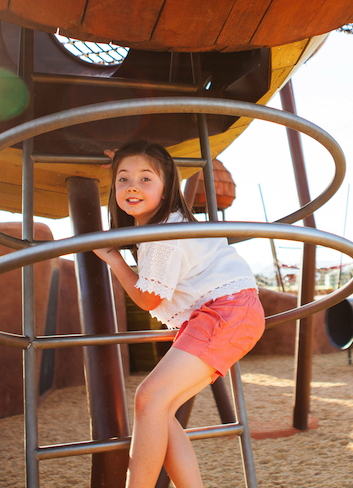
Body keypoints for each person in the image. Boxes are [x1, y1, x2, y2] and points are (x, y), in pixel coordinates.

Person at [93, 140, 264, 488]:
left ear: (167, 187)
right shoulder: (156, 230)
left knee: (149, 397)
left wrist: (113, 260)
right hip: (224, 312)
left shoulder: (164, 232)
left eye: (146, 179)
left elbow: (147, 299)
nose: (132, 187)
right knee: (160, 410)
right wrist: (124, 157)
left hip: (226, 310)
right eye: (123, 180)